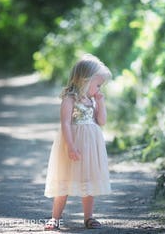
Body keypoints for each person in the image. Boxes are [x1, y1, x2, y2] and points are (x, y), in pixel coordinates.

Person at [44, 54, 112, 230]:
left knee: (88, 181)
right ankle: (55, 217)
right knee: (64, 179)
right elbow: (65, 123)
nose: (99, 89)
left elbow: (102, 121)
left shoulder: (92, 100)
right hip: (73, 143)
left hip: (90, 146)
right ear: (85, 80)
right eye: (97, 85)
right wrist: (71, 146)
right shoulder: (70, 98)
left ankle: (89, 217)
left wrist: (101, 102)